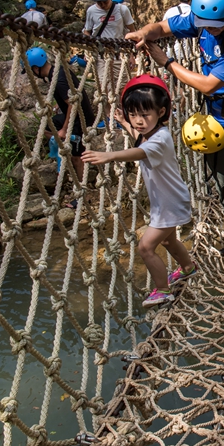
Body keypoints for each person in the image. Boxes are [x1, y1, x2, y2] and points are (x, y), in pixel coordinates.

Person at [125, 0, 224, 286]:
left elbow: (208, 84)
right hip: (213, 122)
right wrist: (144, 33)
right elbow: (162, 27)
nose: (209, 29)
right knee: (221, 188)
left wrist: (167, 62)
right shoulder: (201, 19)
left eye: (214, 25)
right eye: (204, 25)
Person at [81, 75, 196, 307]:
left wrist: (109, 155)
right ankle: (189, 268)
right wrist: (125, 123)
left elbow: (139, 152)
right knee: (168, 242)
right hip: (167, 201)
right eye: (134, 114)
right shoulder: (153, 134)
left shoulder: (160, 139)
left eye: (145, 115)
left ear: (161, 112)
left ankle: (163, 290)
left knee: (145, 247)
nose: (139, 121)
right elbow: (140, 142)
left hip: (169, 204)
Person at [26, 46, 96, 203]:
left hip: (80, 119)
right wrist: (59, 107)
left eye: (31, 70)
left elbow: (72, 103)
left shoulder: (58, 79)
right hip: (76, 115)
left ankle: (82, 194)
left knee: (79, 158)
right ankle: (62, 150)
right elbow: (70, 97)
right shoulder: (57, 71)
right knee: (46, 126)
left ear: (36, 68)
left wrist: (64, 129)